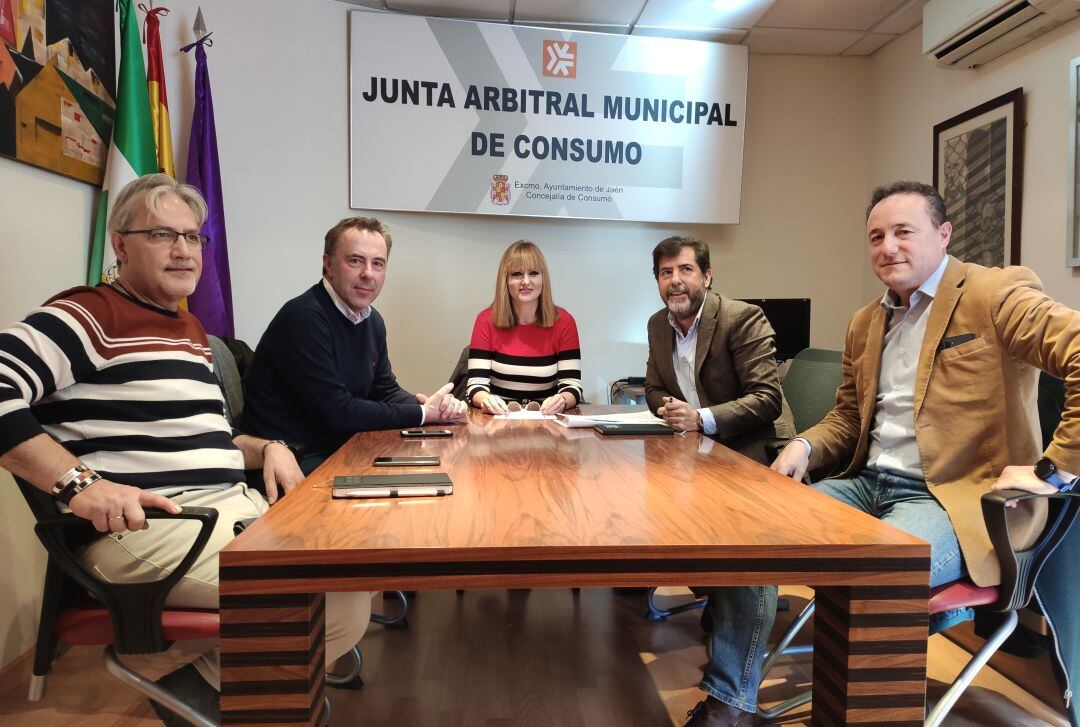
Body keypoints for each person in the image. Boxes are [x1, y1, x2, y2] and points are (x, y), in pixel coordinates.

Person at [684, 180, 1080, 726]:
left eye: (903, 232)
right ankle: (731, 703)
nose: (888, 247)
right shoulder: (866, 322)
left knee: (871, 566)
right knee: (753, 535)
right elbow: (849, 419)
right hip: (867, 484)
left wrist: (1055, 470)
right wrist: (804, 443)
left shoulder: (995, 295)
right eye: (876, 236)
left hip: (954, 499)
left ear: (943, 235)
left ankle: (867, 700)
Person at [0, 174, 371, 725]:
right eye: (162, 235)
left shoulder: (189, 329)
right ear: (120, 245)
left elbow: (208, 441)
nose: (183, 250)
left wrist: (266, 446)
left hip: (224, 510)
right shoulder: (88, 313)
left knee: (352, 575)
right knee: (326, 595)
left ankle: (204, 694)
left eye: (193, 237)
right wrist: (81, 486)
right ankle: (208, 699)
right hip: (148, 527)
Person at [242, 216, 467, 473]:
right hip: (294, 461)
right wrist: (423, 414)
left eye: (378, 263)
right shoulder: (304, 318)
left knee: (439, 470)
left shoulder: (373, 321)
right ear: (328, 264)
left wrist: (431, 406)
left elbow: (383, 389)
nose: (368, 274)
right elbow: (338, 412)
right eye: (355, 261)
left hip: (339, 450)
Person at [645, 235, 790, 461]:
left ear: (706, 277)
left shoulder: (741, 318)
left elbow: (767, 398)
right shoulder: (658, 324)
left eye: (685, 269)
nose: (675, 280)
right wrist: (673, 410)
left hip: (751, 446)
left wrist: (699, 419)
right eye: (666, 272)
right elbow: (654, 389)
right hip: (693, 447)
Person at [466, 240, 582, 415]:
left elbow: (572, 386)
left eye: (534, 273)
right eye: (517, 274)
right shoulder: (485, 320)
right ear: (506, 280)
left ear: (543, 279)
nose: (526, 281)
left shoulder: (564, 321)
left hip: (547, 424)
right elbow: (475, 385)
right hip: (497, 422)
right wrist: (486, 400)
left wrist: (563, 400)